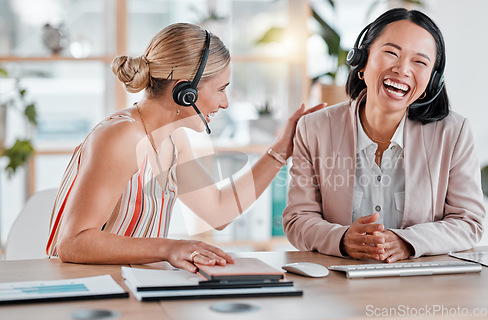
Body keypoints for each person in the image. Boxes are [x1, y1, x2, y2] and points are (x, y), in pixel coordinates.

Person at [46, 23, 324, 272]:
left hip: (132, 285)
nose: (225, 102)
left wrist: (280, 150)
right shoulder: (122, 137)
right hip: (93, 291)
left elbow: (218, 211)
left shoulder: (173, 141)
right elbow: (74, 242)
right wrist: (169, 248)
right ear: (184, 91)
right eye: (220, 89)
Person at [283, 8, 485, 263]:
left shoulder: (454, 133)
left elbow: (468, 222)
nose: (402, 69)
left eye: (420, 62)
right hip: (337, 287)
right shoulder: (314, 128)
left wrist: (408, 242)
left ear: (432, 81)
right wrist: (342, 239)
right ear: (362, 60)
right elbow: (297, 219)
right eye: (391, 53)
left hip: (423, 288)